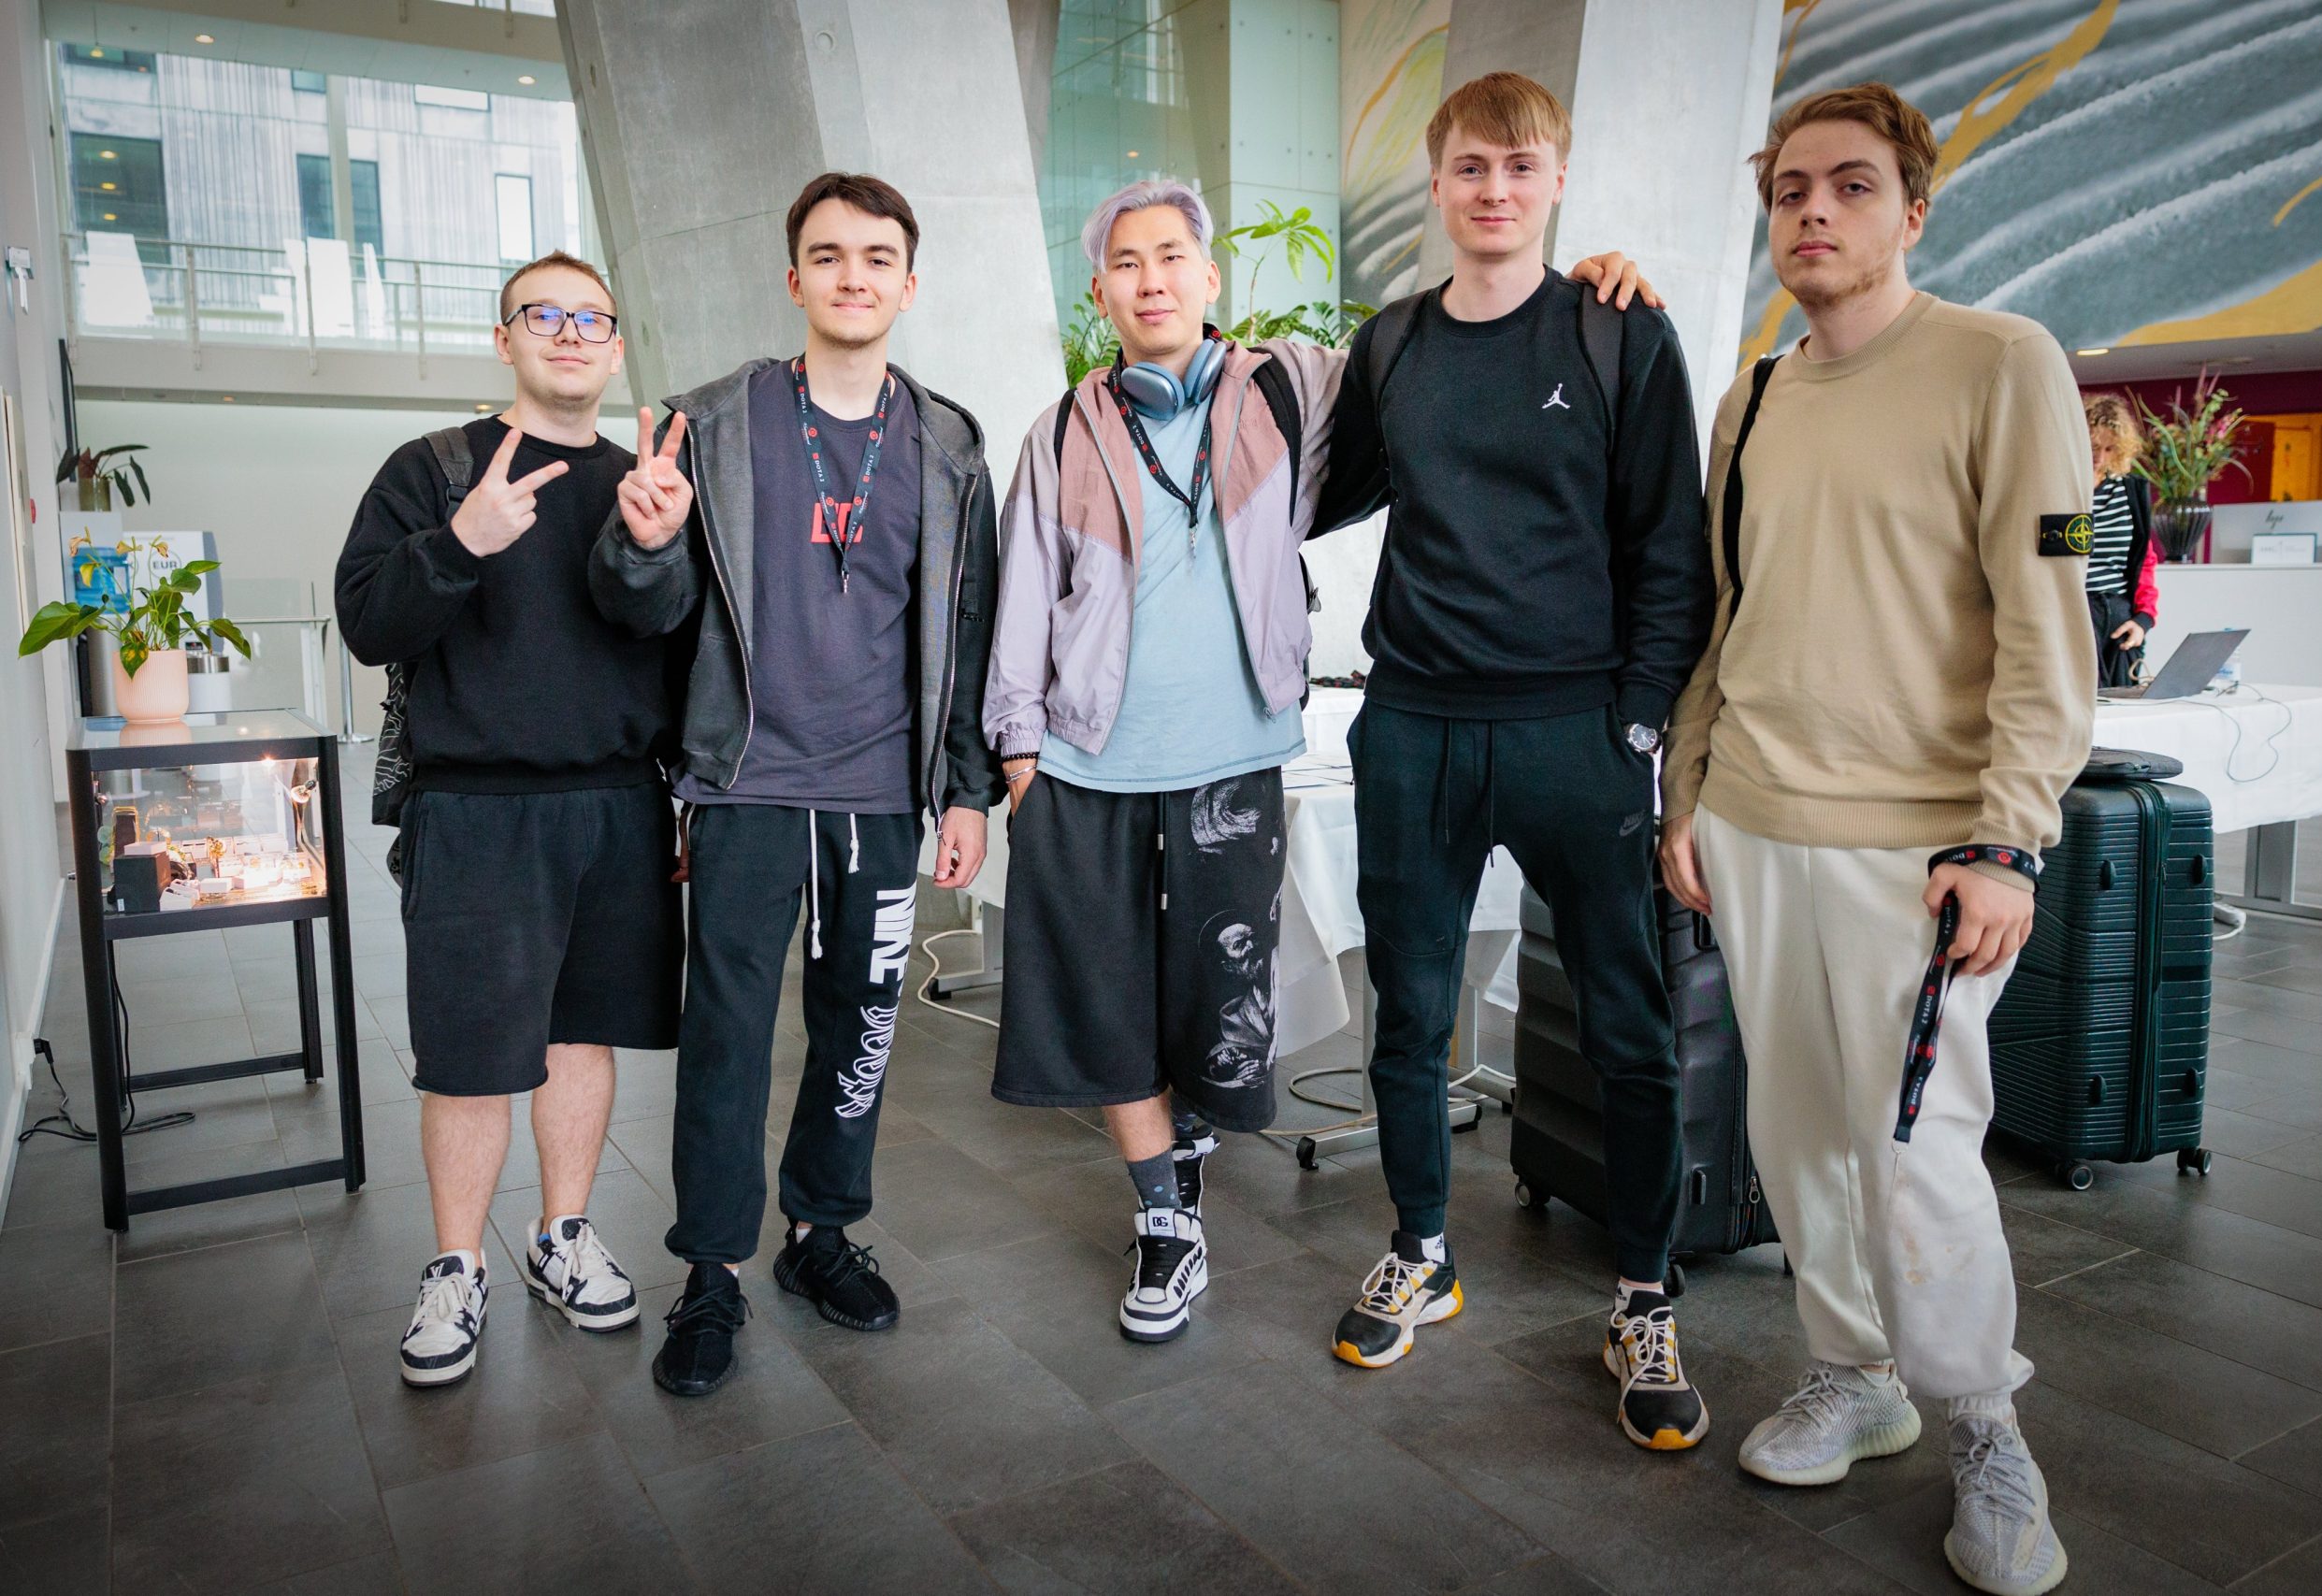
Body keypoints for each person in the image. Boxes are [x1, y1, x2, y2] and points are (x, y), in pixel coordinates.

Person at [984, 176, 1654, 1344]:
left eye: (1170, 257)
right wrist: (1018, 747)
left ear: (1209, 278)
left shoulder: (1292, 385)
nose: (1150, 280)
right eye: (1125, 264)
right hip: (1087, 762)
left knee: (1217, 1010)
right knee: (1103, 1005)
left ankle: (1188, 1152)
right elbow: (1025, 592)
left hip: (1233, 760)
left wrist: (1578, 285)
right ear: (1099, 295)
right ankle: (1163, 1218)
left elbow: (1446, 348)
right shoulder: (1061, 430)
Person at [1657, 83, 2092, 1596]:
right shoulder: (1753, 399)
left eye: (1849, 185)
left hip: (1922, 846)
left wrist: (2009, 839)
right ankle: (1856, 1371)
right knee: (1798, 1134)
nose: (1814, 212)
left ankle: (1984, 1419)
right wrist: (1689, 789)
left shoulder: (2002, 363)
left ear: (1915, 208)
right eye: (1790, 190)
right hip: (1754, 817)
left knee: (1916, 1148)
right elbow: (1728, 610)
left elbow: (2048, 623)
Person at [1317, 71, 1714, 1456]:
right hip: (1415, 723)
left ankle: (1645, 1294)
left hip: (1573, 731)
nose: (1495, 189)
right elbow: (1311, 493)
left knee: (1627, 1024)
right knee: (1408, 1013)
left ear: (1556, 180)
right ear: (1437, 185)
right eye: (1472, 168)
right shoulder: (1391, 345)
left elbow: (1672, 543)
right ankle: (1420, 1248)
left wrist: (1638, 723)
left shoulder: (1616, 329)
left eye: (1521, 166)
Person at [589, 172, 1001, 1397]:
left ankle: (821, 1231)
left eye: (877, 257)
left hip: (882, 793)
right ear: (794, 279)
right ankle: (711, 1269)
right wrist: (641, 542)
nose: (853, 275)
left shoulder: (947, 443)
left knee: (860, 1029)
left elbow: (966, 625)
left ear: (908, 285)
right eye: (828, 255)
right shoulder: (709, 423)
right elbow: (643, 613)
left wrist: (965, 789)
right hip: (745, 783)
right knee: (724, 1038)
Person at [337, 251, 680, 1388]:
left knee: (583, 1034)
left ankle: (561, 1235)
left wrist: (652, 546)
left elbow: (678, 647)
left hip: (618, 804)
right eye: (545, 314)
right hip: (476, 809)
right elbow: (368, 624)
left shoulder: (645, 482)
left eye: (593, 318)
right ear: (504, 339)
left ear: (616, 348)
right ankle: (455, 1265)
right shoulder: (433, 470)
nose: (571, 332)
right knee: (473, 1057)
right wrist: (460, 544)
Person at [2082, 391, 2160, 688]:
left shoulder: (2129, 491)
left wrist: (2143, 620)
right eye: (2093, 447)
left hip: (2119, 620)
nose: (2099, 457)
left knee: (2123, 706)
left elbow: (2144, 561)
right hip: (2075, 615)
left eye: (2109, 448)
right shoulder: (2057, 489)